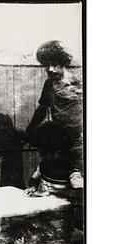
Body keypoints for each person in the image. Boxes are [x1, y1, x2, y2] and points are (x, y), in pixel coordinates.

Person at [24, 40, 83, 171]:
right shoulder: (49, 84)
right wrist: (30, 130)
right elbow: (42, 109)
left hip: (80, 140)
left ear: (63, 64)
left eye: (54, 65)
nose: (50, 69)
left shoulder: (79, 82)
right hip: (59, 140)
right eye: (47, 66)